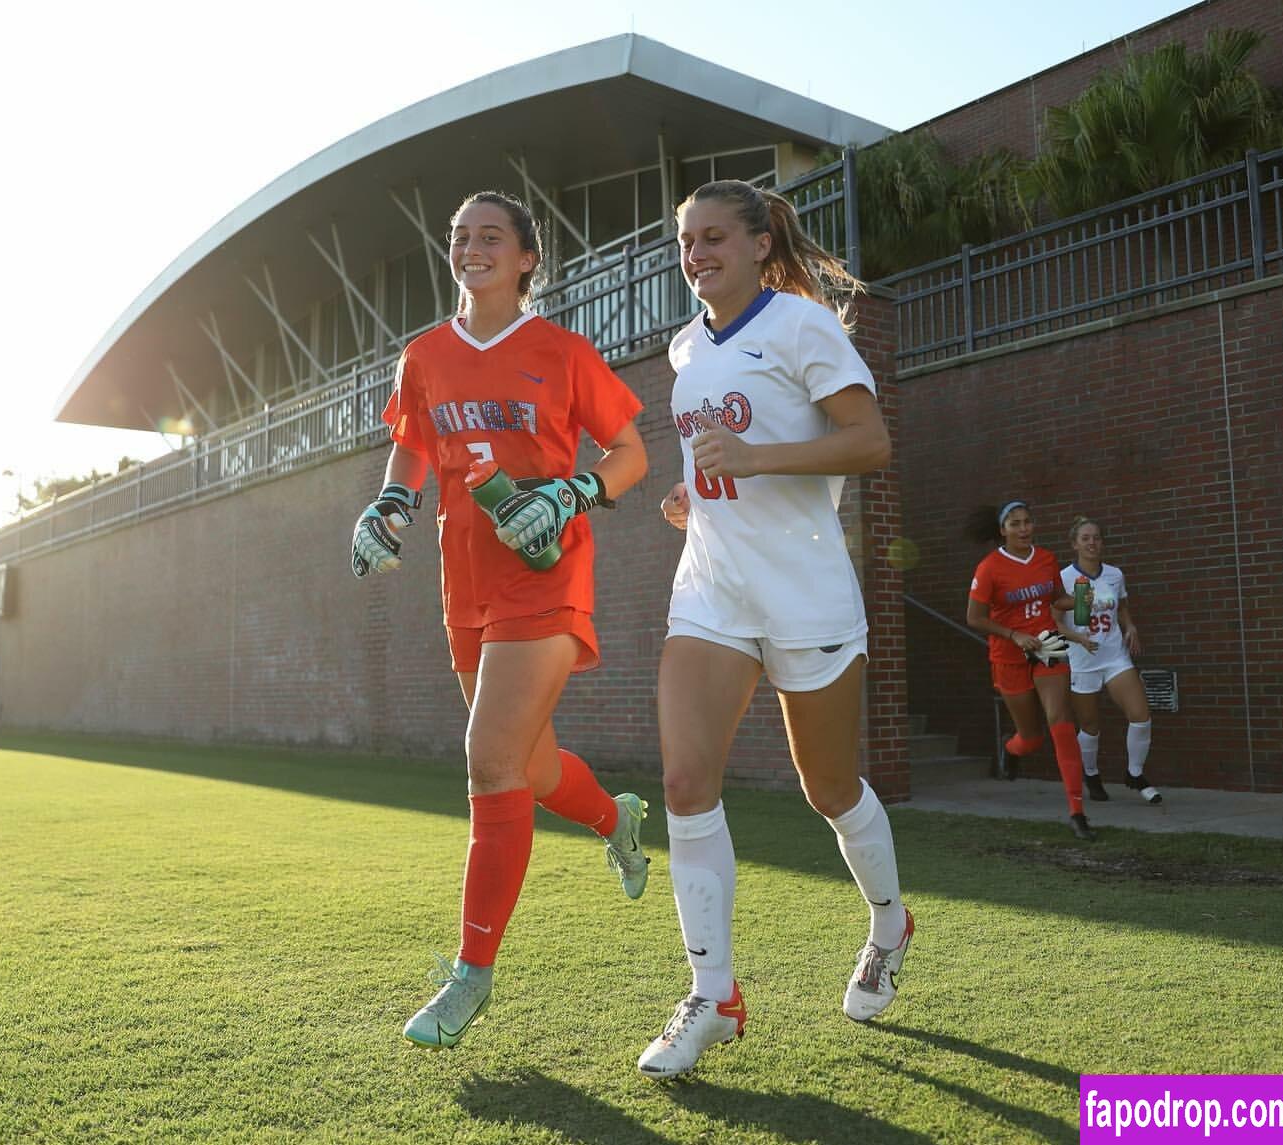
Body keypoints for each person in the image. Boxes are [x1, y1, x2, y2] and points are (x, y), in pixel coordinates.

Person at [351, 190, 651, 1049]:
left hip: (547, 572)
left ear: (526, 258)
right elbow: (413, 443)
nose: (472, 248)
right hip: (465, 578)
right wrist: (389, 505)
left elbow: (630, 452)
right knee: (531, 760)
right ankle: (613, 818)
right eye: (459, 238)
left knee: (488, 761)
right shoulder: (426, 354)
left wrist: (574, 490)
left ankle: (470, 976)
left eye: (491, 237)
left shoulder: (560, 350)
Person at [636, 179, 910, 1081]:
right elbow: (719, 465)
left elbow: (868, 442)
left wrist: (757, 460)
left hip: (806, 594)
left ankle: (888, 919)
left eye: (714, 236)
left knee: (828, 788)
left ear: (759, 244)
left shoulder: (802, 325)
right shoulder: (685, 348)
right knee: (683, 778)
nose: (696, 252)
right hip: (711, 589)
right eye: (685, 240)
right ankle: (712, 993)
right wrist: (694, 494)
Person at [964, 501, 1097, 840]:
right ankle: (1012, 750)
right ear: (1002, 530)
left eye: (1027, 522)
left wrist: (1085, 598)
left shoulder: (1046, 559)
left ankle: (1077, 812)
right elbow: (974, 618)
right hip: (1009, 653)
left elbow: (1057, 599)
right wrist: (1013, 635)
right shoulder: (989, 568)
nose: (1023, 528)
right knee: (1032, 737)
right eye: (1015, 524)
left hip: (1048, 645)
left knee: (1061, 722)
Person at [1060, 515, 1161, 804]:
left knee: (1140, 715)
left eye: (1096, 537)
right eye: (1085, 538)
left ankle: (1135, 773)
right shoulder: (1064, 578)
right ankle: (1091, 774)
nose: (1092, 543)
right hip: (1083, 660)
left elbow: (1122, 607)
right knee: (1090, 726)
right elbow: (1055, 622)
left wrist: (1130, 626)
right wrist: (1078, 638)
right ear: (1074, 544)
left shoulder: (1115, 574)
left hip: (1115, 655)